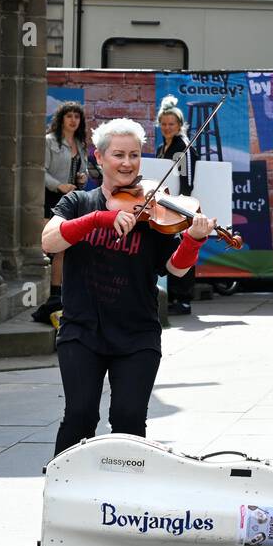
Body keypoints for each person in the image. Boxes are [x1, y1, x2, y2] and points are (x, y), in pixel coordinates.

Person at [41, 117, 214, 458]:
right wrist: (98, 219)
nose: (127, 163)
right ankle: (64, 486)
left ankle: (126, 495)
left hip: (137, 333)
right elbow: (50, 241)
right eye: (118, 154)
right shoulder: (78, 203)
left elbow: (176, 269)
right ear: (99, 158)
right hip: (82, 330)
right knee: (79, 416)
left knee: (129, 419)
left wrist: (193, 240)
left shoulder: (154, 211)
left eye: (134, 155)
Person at [32, 103, 89, 324]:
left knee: (68, 249)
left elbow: (81, 169)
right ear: (62, 119)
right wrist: (59, 186)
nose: (73, 120)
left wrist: (82, 177)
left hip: (73, 198)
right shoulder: (50, 141)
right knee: (55, 248)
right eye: (69, 116)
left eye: (77, 116)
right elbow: (40, 171)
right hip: (53, 198)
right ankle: (53, 296)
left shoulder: (80, 144)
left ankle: (60, 294)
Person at [154, 96, 199, 315]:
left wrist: (181, 208)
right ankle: (171, 296)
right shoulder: (162, 147)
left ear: (180, 125)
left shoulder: (183, 146)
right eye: (163, 124)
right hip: (166, 207)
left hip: (181, 208)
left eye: (171, 124)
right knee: (170, 251)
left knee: (185, 250)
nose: (167, 127)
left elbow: (186, 180)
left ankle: (184, 299)